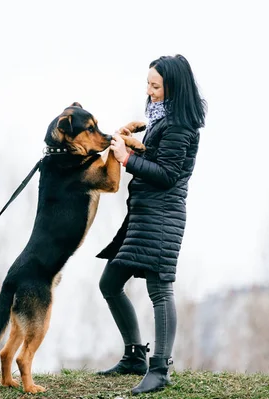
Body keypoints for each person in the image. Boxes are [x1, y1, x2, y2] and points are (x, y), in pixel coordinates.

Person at [96, 54, 206, 395]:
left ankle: (160, 369)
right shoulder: (161, 120)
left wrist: (126, 159)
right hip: (143, 213)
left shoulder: (180, 125)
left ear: (172, 86)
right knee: (110, 282)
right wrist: (127, 146)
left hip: (163, 216)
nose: (149, 90)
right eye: (148, 83)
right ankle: (134, 356)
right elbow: (155, 159)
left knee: (160, 289)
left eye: (155, 85)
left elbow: (169, 175)